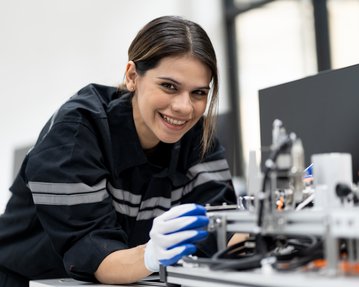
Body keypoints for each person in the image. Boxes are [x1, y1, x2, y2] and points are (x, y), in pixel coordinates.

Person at [0, 15, 237, 286]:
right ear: (132, 76)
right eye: (169, 86)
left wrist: (277, 218)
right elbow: (96, 256)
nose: (185, 107)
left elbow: (221, 233)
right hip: (26, 279)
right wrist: (151, 254)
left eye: (198, 93)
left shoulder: (198, 138)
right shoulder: (76, 132)